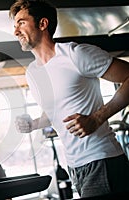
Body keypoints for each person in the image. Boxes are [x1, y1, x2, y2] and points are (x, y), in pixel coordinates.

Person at [10, 0, 129, 198]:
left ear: (42, 24)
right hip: (75, 167)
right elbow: (53, 113)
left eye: (21, 23)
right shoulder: (33, 73)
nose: (15, 31)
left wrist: (96, 118)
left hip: (102, 159)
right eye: (15, 25)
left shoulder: (76, 54)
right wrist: (33, 124)